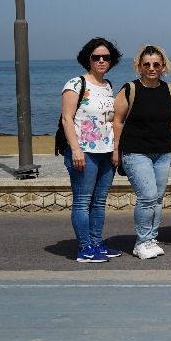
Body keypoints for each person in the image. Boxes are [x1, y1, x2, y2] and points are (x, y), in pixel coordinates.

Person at [112, 44, 171, 259]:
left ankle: (152, 238)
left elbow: (170, 119)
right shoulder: (130, 89)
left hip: (162, 152)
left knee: (158, 198)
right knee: (147, 197)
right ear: (139, 66)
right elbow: (117, 121)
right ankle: (142, 242)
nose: (151, 68)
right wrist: (116, 150)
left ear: (163, 66)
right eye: (147, 64)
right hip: (136, 152)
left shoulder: (169, 89)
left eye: (156, 64)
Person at [62, 37, 122, 262]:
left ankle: (96, 242)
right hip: (84, 152)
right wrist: (76, 150)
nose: (101, 61)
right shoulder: (75, 84)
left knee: (99, 201)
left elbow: (111, 121)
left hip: (106, 152)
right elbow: (68, 119)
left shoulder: (108, 86)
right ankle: (84, 248)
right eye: (96, 57)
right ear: (88, 58)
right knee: (82, 201)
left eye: (106, 57)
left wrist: (116, 148)